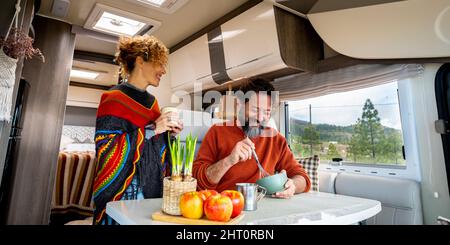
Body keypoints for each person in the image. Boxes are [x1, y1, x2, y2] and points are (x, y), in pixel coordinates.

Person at [92, 35, 182, 224]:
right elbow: (106, 150)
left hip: (151, 189)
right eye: (160, 64)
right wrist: (153, 129)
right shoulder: (113, 98)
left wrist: (168, 135)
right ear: (140, 61)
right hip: (124, 191)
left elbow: (155, 148)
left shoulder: (154, 103)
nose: (163, 71)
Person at [193, 78, 310, 198]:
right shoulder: (217, 132)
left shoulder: (276, 139)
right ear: (240, 105)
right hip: (227, 207)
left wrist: (293, 185)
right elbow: (197, 181)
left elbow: (302, 177)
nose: (260, 118)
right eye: (255, 109)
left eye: (267, 112)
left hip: (265, 207)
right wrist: (229, 161)